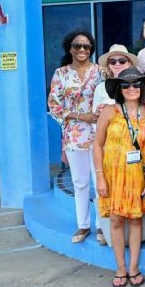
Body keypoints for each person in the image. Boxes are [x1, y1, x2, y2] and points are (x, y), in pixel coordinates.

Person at [94, 68, 145, 287]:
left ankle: (133, 267)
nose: (131, 88)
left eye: (136, 84)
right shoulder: (110, 111)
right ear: (120, 89)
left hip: (137, 174)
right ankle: (120, 268)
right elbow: (97, 145)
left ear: (143, 88)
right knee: (116, 220)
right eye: (126, 85)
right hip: (112, 175)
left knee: (136, 220)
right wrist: (100, 177)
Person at [48, 32, 104, 245]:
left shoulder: (100, 72)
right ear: (69, 48)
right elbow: (54, 104)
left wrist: (98, 117)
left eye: (87, 46)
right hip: (74, 135)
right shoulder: (61, 74)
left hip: (99, 134)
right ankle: (83, 224)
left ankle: (101, 225)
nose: (82, 50)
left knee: (100, 180)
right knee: (80, 183)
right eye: (77, 46)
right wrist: (81, 116)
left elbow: (107, 97)